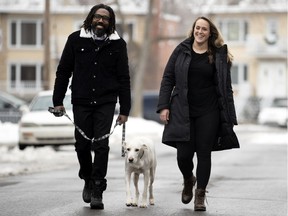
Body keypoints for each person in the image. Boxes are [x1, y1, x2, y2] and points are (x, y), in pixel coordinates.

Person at [52, 4, 131, 210]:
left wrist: (125, 109)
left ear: (110, 23)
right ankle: (87, 177)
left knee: (101, 145)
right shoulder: (75, 40)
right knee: (82, 145)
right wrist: (58, 101)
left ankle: (97, 187)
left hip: (106, 101)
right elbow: (63, 71)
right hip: (81, 100)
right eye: (97, 17)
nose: (100, 21)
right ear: (91, 18)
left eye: (105, 18)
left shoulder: (118, 45)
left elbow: (124, 79)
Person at [157, 16, 239, 211]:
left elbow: (226, 88)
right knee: (183, 155)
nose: (200, 32)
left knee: (204, 153)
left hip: (208, 111)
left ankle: (200, 194)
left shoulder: (219, 55)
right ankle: (188, 178)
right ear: (193, 30)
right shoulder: (181, 50)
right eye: (197, 28)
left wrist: (230, 115)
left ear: (210, 33)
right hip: (183, 110)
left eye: (204, 29)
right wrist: (164, 106)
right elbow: (168, 78)